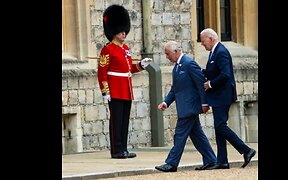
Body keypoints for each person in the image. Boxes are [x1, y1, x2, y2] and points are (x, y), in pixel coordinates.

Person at [97, 4, 152, 159]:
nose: (124, 33)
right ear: (114, 32)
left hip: (126, 89)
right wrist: (105, 91)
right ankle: (116, 150)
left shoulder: (125, 48)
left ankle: (124, 149)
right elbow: (102, 72)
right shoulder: (107, 50)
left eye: (124, 30)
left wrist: (141, 65)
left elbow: (128, 70)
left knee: (124, 121)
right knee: (116, 122)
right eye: (121, 31)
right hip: (114, 90)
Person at [155, 41, 218, 172]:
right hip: (184, 106)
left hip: (190, 107)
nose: (167, 57)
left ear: (176, 52)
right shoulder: (176, 67)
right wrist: (166, 103)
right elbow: (175, 90)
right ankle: (211, 160)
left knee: (179, 135)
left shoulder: (189, 64)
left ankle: (171, 163)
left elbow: (201, 83)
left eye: (168, 54)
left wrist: (204, 103)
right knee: (197, 136)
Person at [200, 28, 256, 169]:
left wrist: (210, 84)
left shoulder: (221, 52)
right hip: (218, 95)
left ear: (211, 39)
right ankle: (222, 161)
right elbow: (214, 71)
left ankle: (246, 150)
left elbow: (225, 75)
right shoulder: (214, 53)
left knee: (220, 126)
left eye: (203, 41)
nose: (202, 44)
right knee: (219, 128)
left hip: (223, 95)